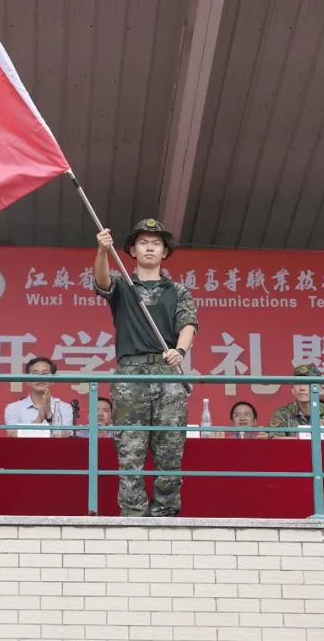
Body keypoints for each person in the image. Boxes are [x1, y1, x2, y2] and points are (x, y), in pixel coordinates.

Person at [95, 219, 198, 517]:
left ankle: (166, 516)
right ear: (132, 250)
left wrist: (180, 351)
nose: (150, 248)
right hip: (130, 376)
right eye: (143, 243)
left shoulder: (177, 290)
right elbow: (102, 282)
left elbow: (188, 324)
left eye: (156, 243)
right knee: (130, 453)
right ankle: (133, 520)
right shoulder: (122, 285)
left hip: (167, 375)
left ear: (165, 252)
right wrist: (102, 251)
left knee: (170, 453)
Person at [3, 357, 75, 438]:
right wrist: (39, 418)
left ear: (53, 380)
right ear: (27, 381)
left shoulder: (65, 408)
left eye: (45, 373)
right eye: (35, 373)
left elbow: (65, 435)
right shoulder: (13, 408)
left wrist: (49, 416)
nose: (40, 378)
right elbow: (12, 434)